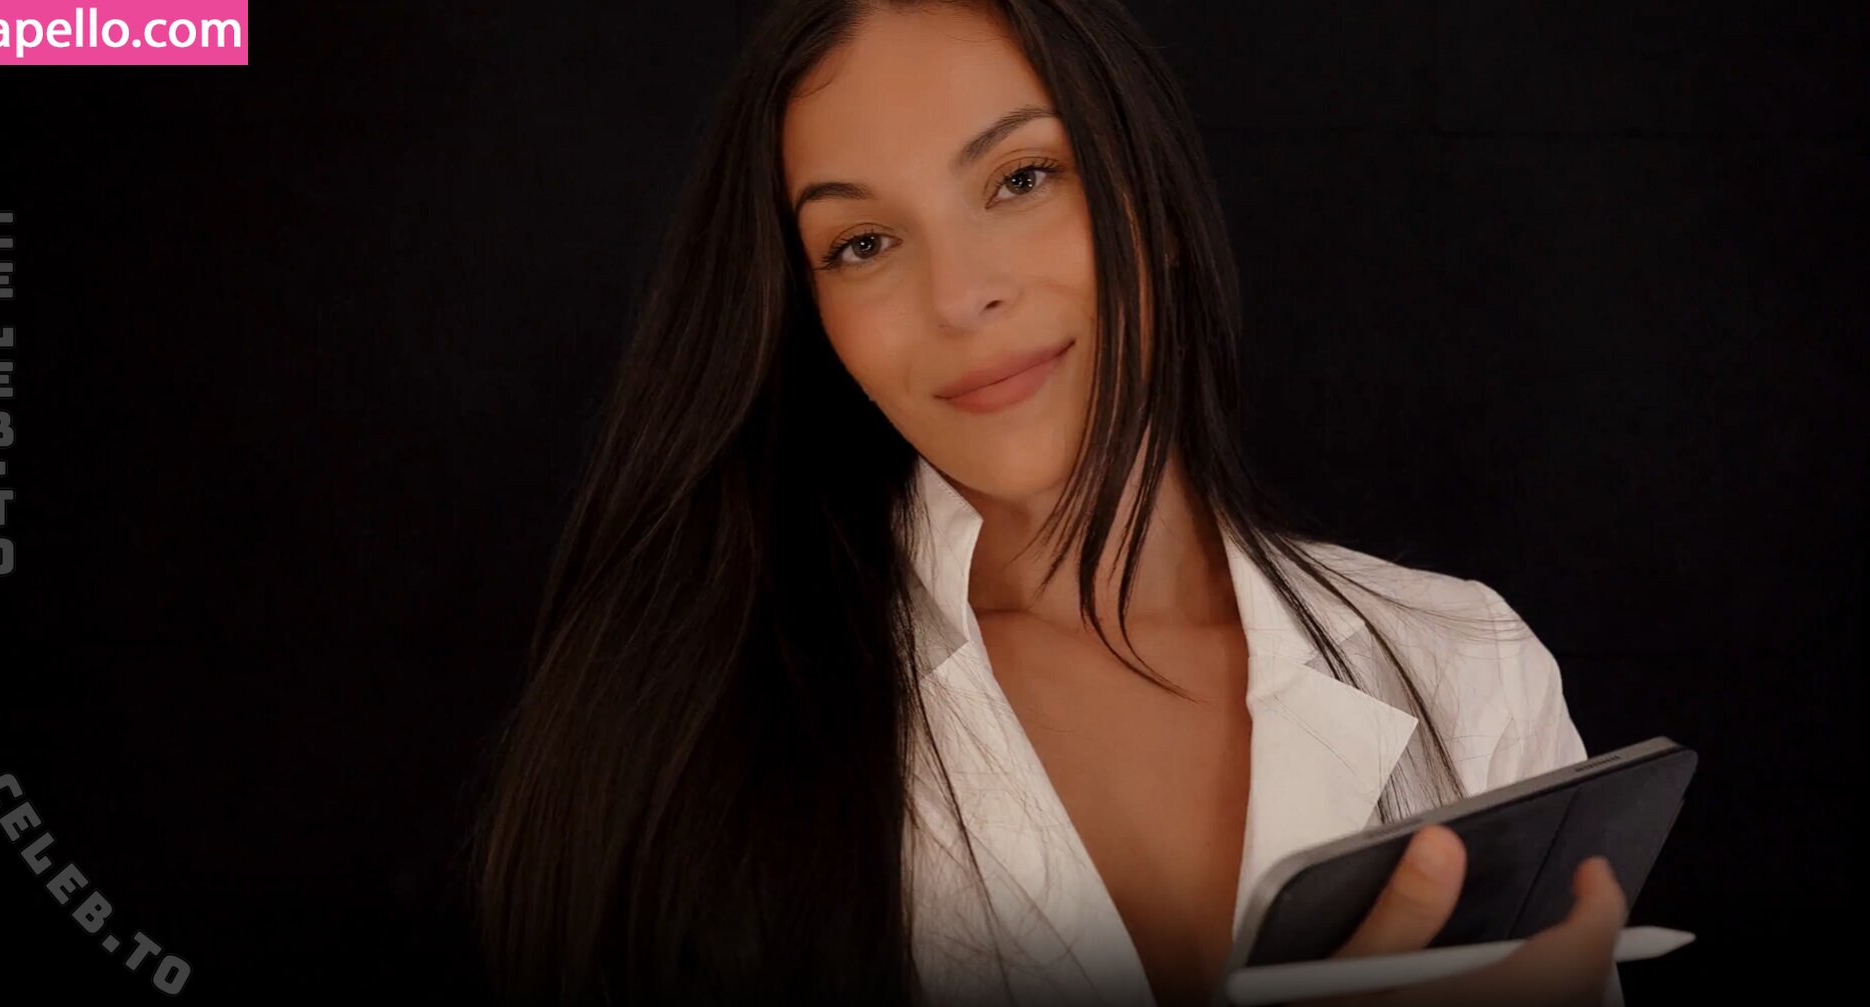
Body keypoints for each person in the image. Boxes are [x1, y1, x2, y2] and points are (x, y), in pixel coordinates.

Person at [470, 2, 1627, 1005]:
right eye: (863, 242)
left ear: (1153, 206)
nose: (962, 295)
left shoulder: (1463, 667)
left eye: (1021, 178)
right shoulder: (684, 727)